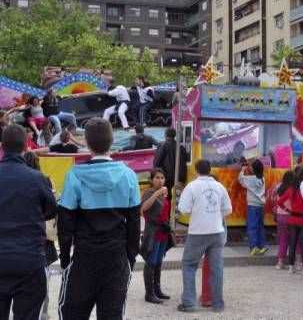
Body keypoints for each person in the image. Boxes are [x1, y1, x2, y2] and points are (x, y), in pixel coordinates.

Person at [57, 118, 141, 319]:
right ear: (112, 141)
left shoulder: (75, 175)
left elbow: (65, 222)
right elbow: (134, 222)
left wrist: (65, 259)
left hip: (84, 257)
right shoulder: (129, 175)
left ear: (86, 142)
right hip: (116, 257)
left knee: (71, 312)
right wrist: (130, 256)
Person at [0, 124, 58, 319]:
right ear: (26, 147)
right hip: (29, 261)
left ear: (2, 147)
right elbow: (50, 211)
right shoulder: (38, 179)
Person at [177, 159, 232, 313]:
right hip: (217, 231)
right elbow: (228, 210)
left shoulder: (192, 186)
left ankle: (189, 303)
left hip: (198, 232)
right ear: (210, 169)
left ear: (196, 170)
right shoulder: (220, 186)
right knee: (217, 268)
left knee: (189, 265)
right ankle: (218, 304)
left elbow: (183, 209)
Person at [22, 151, 59, 320]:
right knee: (42, 278)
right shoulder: (45, 180)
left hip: (23, 236)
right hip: (42, 236)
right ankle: (43, 313)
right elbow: (54, 206)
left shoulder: (19, 183)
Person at [140, 168, 172, 304]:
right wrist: (157, 193)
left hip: (163, 232)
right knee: (151, 262)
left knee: (158, 262)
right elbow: (143, 208)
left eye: (162, 178)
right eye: (157, 178)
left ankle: (157, 290)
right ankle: (149, 293)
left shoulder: (165, 194)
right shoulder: (149, 192)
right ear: (152, 180)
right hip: (153, 232)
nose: (160, 180)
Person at [278, 170, 303, 274]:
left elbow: (280, 202)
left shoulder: (290, 190)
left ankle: (291, 268)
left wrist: (288, 210)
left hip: (292, 219)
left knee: (292, 244)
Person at [239, 160, 267, 255]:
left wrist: (242, 170)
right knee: (260, 227)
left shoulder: (251, 179)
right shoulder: (262, 179)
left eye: (251, 166)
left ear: (254, 169)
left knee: (252, 227)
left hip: (252, 206)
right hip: (260, 206)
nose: (249, 167)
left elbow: (241, 179)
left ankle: (253, 247)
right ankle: (262, 245)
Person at [153, 128, 188, 199]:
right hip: (179, 177)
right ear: (174, 135)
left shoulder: (162, 146)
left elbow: (156, 163)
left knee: (167, 198)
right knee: (177, 198)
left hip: (167, 178)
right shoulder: (181, 148)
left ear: (165, 135)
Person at [273, 170, 295, 270]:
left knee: (283, 240)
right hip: (291, 216)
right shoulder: (293, 189)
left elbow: (276, 200)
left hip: (280, 216)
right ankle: (298, 262)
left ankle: (280, 262)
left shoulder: (279, 187)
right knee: (295, 240)